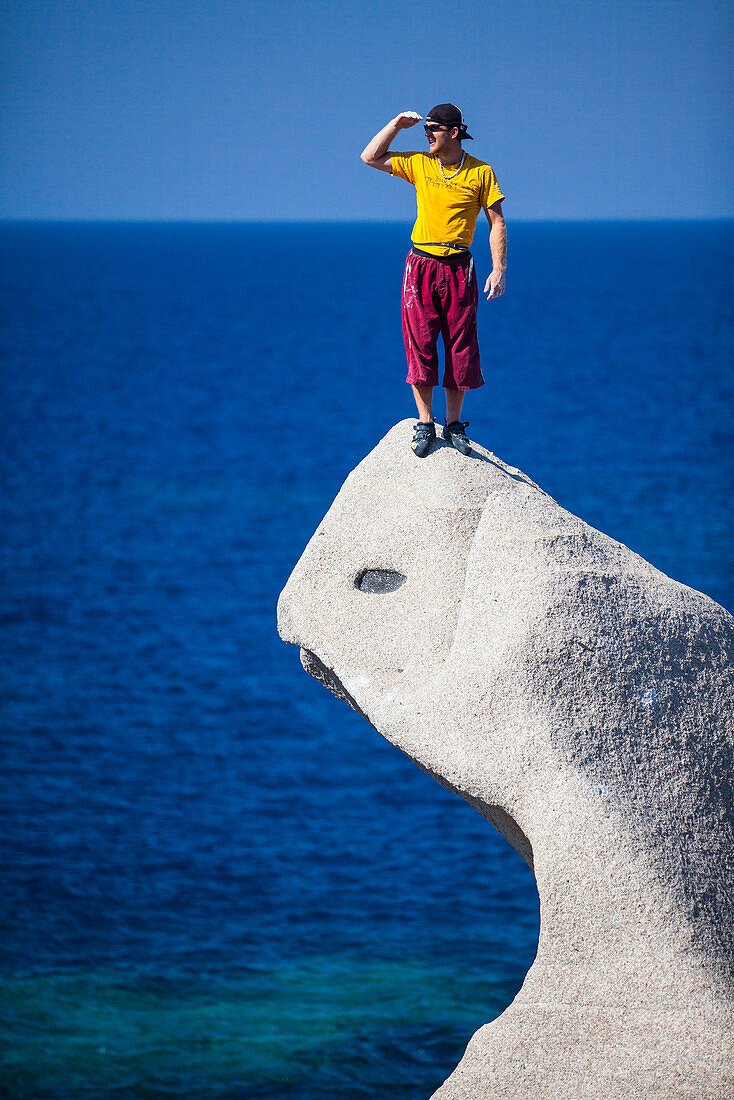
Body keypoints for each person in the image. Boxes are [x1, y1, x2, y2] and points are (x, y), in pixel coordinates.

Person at [361, 104, 506, 457]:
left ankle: (453, 423)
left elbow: (496, 222)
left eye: (433, 129)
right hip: (421, 263)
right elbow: (369, 157)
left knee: (461, 346)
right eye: (425, 129)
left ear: (454, 132)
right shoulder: (420, 164)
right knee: (420, 342)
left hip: (459, 267)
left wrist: (498, 269)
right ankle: (425, 422)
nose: (426, 135)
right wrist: (396, 124)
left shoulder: (480, 172)